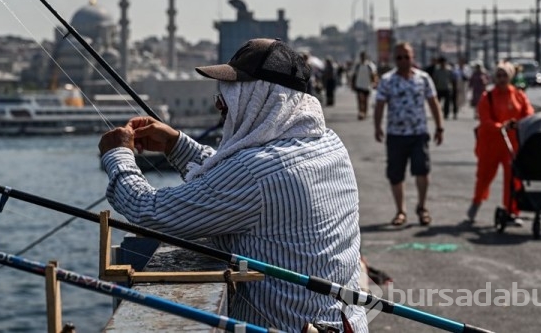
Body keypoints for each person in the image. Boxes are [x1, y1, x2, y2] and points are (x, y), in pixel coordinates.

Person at [99, 38, 367, 332]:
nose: (219, 103)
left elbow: (148, 211)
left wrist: (118, 155)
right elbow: (236, 180)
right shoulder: (328, 144)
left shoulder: (255, 174)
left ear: (261, 98)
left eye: (230, 92)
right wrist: (177, 144)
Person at [374, 42, 444, 227]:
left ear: (413, 57)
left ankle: (422, 207)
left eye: (407, 57)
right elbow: (380, 104)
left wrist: (439, 126)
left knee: (422, 170)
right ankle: (400, 211)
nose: (403, 61)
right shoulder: (388, 80)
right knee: (396, 174)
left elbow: (433, 102)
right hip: (396, 134)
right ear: (394, 59)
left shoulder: (423, 78)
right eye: (399, 57)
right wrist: (377, 126)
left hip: (418, 133)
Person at [466, 62, 534, 225]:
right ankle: (477, 201)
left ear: (510, 77)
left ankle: (512, 210)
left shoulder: (518, 95)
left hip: (512, 144)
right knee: (484, 176)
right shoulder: (487, 96)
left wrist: (521, 124)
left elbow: (528, 114)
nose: (502, 79)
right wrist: (501, 127)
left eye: (505, 75)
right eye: (499, 75)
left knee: (513, 178)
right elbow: (485, 120)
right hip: (491, 143)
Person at [351, 51, 378, 120]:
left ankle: (365, 112)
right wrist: (352, 84)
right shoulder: (357, 66)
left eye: (364, 56)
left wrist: (374, 83)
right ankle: (361, 112)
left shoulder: (370, 65)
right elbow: (354, 75)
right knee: (360, 99)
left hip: (367, 85)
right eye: (361, 56)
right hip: (359, 84)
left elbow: (373, 75)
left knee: (365, 100)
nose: (362, 58)